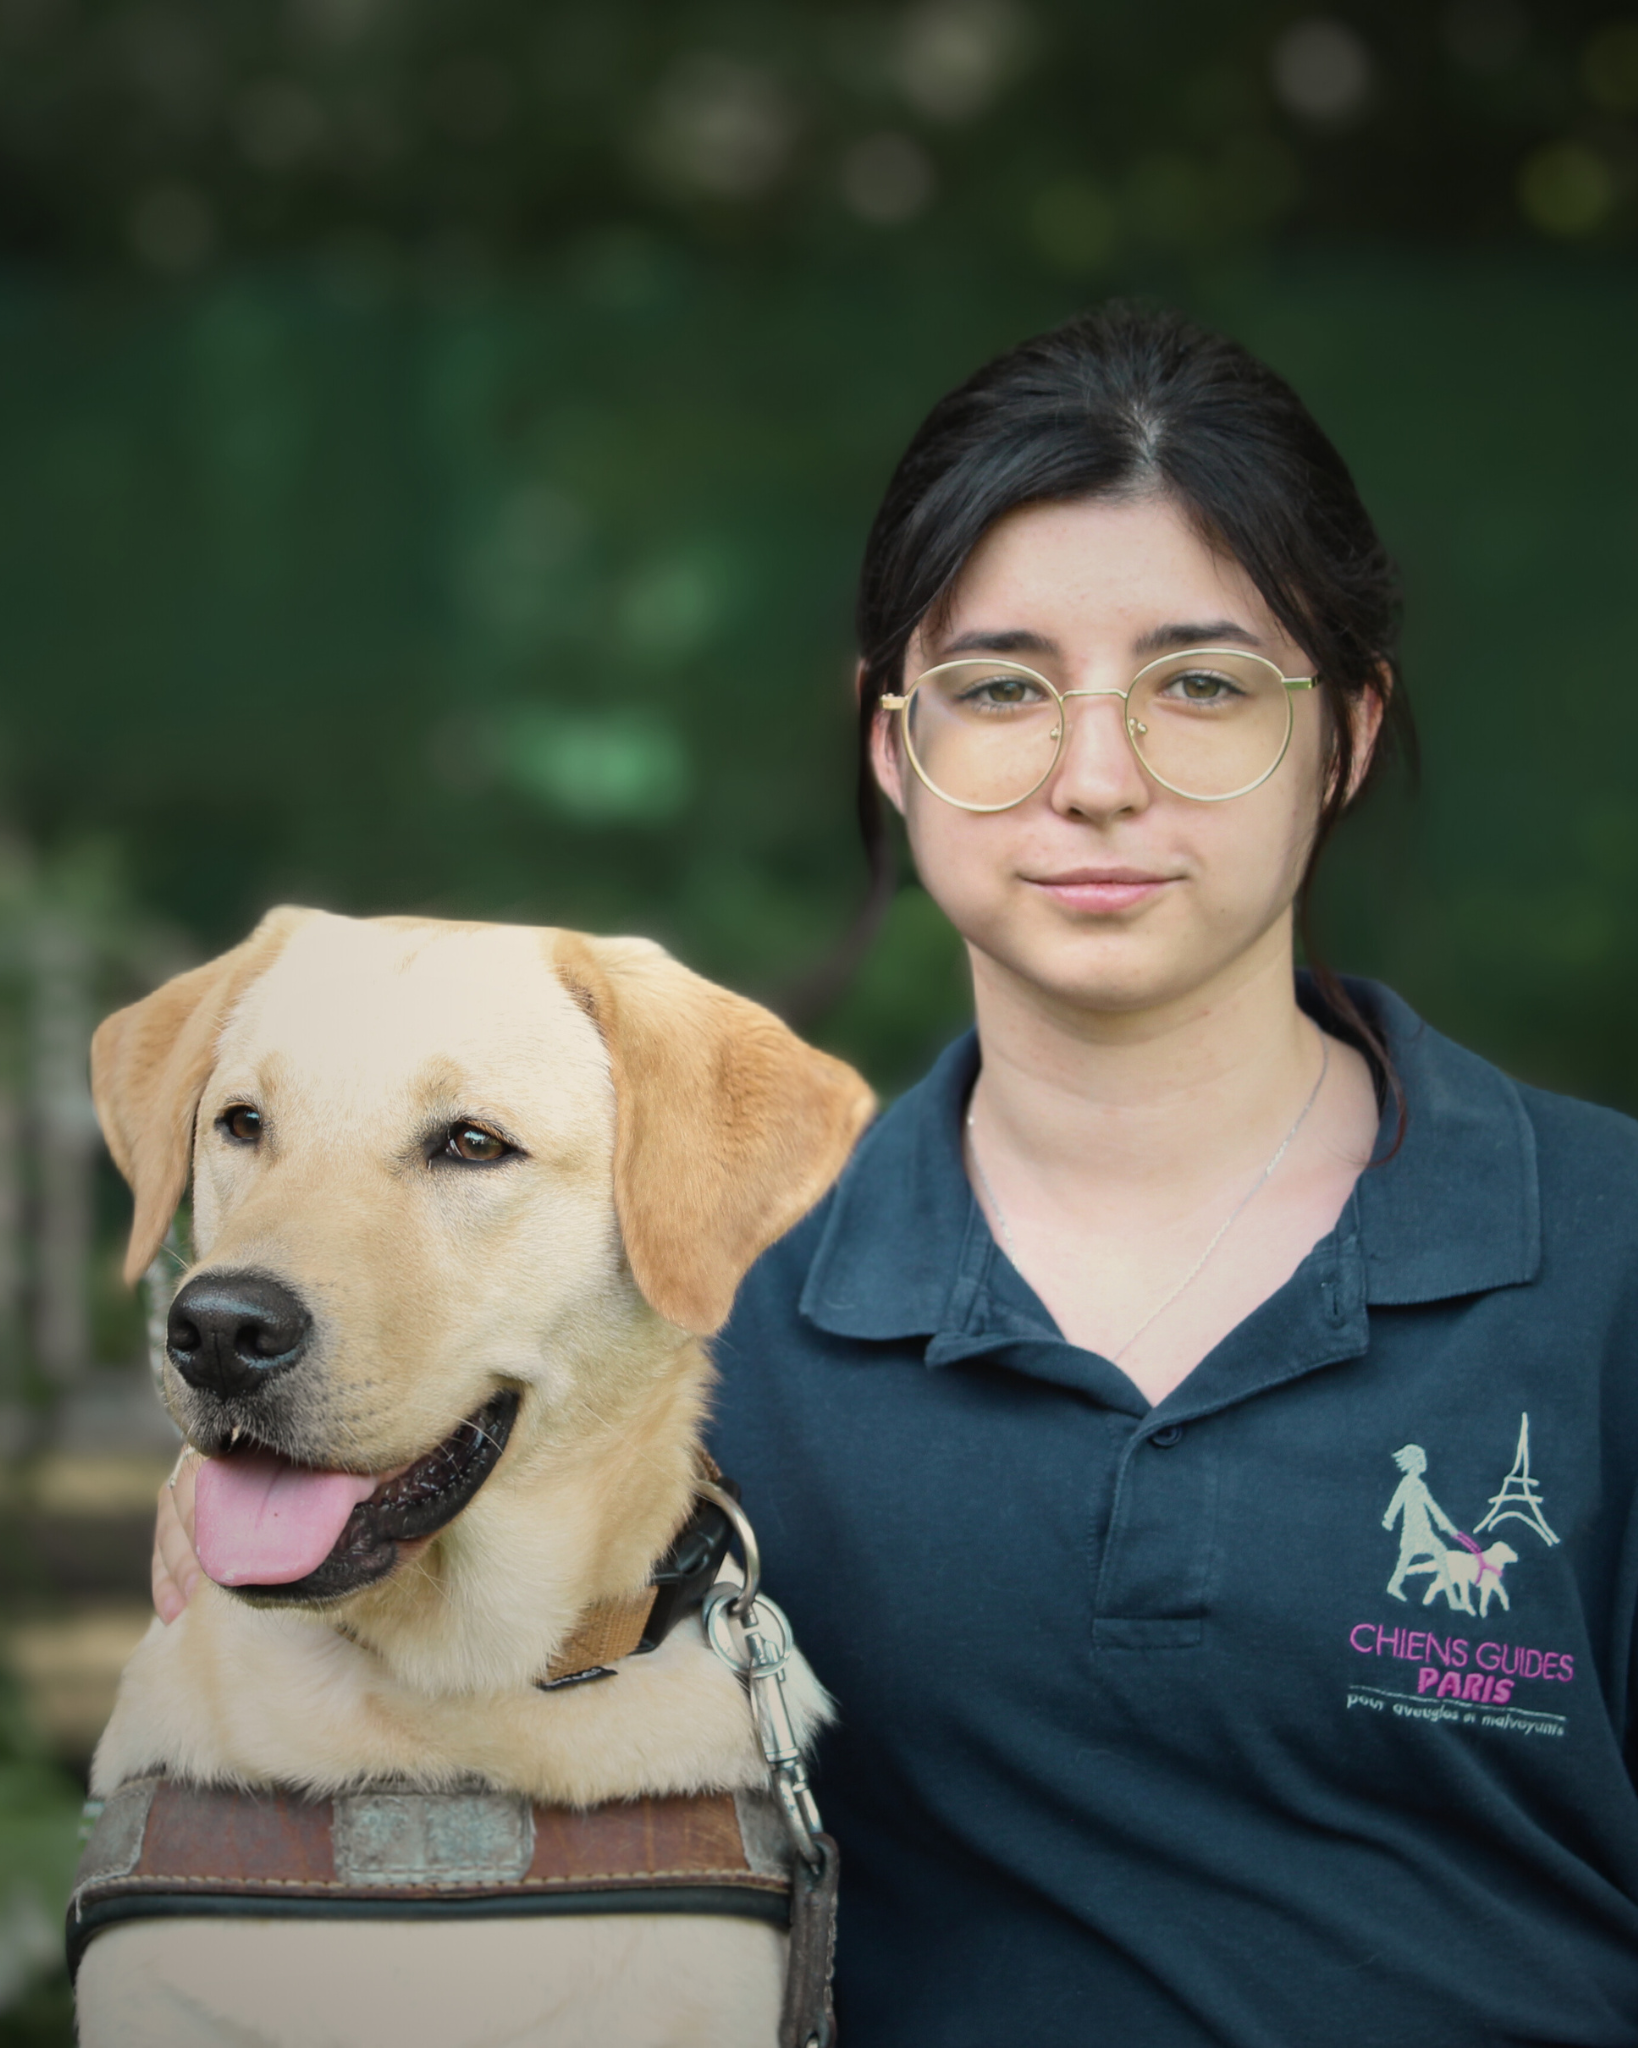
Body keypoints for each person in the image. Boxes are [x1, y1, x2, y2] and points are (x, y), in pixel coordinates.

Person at [153, 305, 1638, 2045]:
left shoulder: (1601, 1259)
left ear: (1348, 734)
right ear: (891, 745)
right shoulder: (685, 1292)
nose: (1096, 779)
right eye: (1001, 689)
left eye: (1202, 685)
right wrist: (291, 1462)